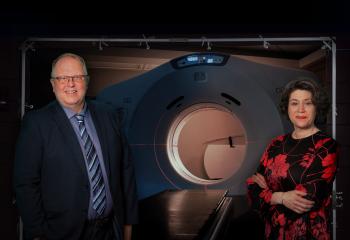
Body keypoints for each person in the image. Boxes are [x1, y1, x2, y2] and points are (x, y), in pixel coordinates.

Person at [14, 53, 138, 240]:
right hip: (61, 233)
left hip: (111, 230)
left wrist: (128, 224)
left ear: (86, 81)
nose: (70, 84)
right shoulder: (37, 123)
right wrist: (38, 234)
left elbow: (125, 171)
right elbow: (25, 184)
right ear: (53, 84)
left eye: (77, 77)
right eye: (62, 78)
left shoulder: (110, 115)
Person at [246, 78, 339, 239]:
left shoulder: (327, 146)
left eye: (308, 103)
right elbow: (252, 187)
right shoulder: (275, 144)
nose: (301, 109)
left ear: (317, 108)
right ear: (287, 108)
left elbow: (306, 200)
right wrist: (281, 197)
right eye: (294, 103)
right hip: (272, 233)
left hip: (307, 234)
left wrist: (268, 195)